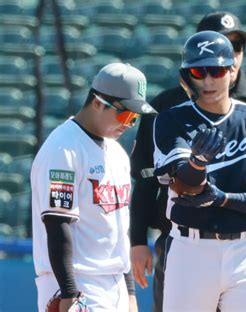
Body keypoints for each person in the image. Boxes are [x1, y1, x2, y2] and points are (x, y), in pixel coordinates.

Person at [130, 11, 246, 311]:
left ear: (233, 64)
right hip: (187, 244)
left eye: (218, 68)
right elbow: (174, 186)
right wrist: (137, 239)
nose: (209, 78)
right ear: (188, 72)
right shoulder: (170, 114)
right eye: (200, 71)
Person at [31, 63, 157, 311]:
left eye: (135, 117)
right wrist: (69, 292)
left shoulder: (117, 153)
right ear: (99, 102)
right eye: (125, 114)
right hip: (77, 280)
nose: (129, 123)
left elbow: (120, 229)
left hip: (114, 284)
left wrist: (129, 291)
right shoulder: (63, 149)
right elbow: (58, 224)